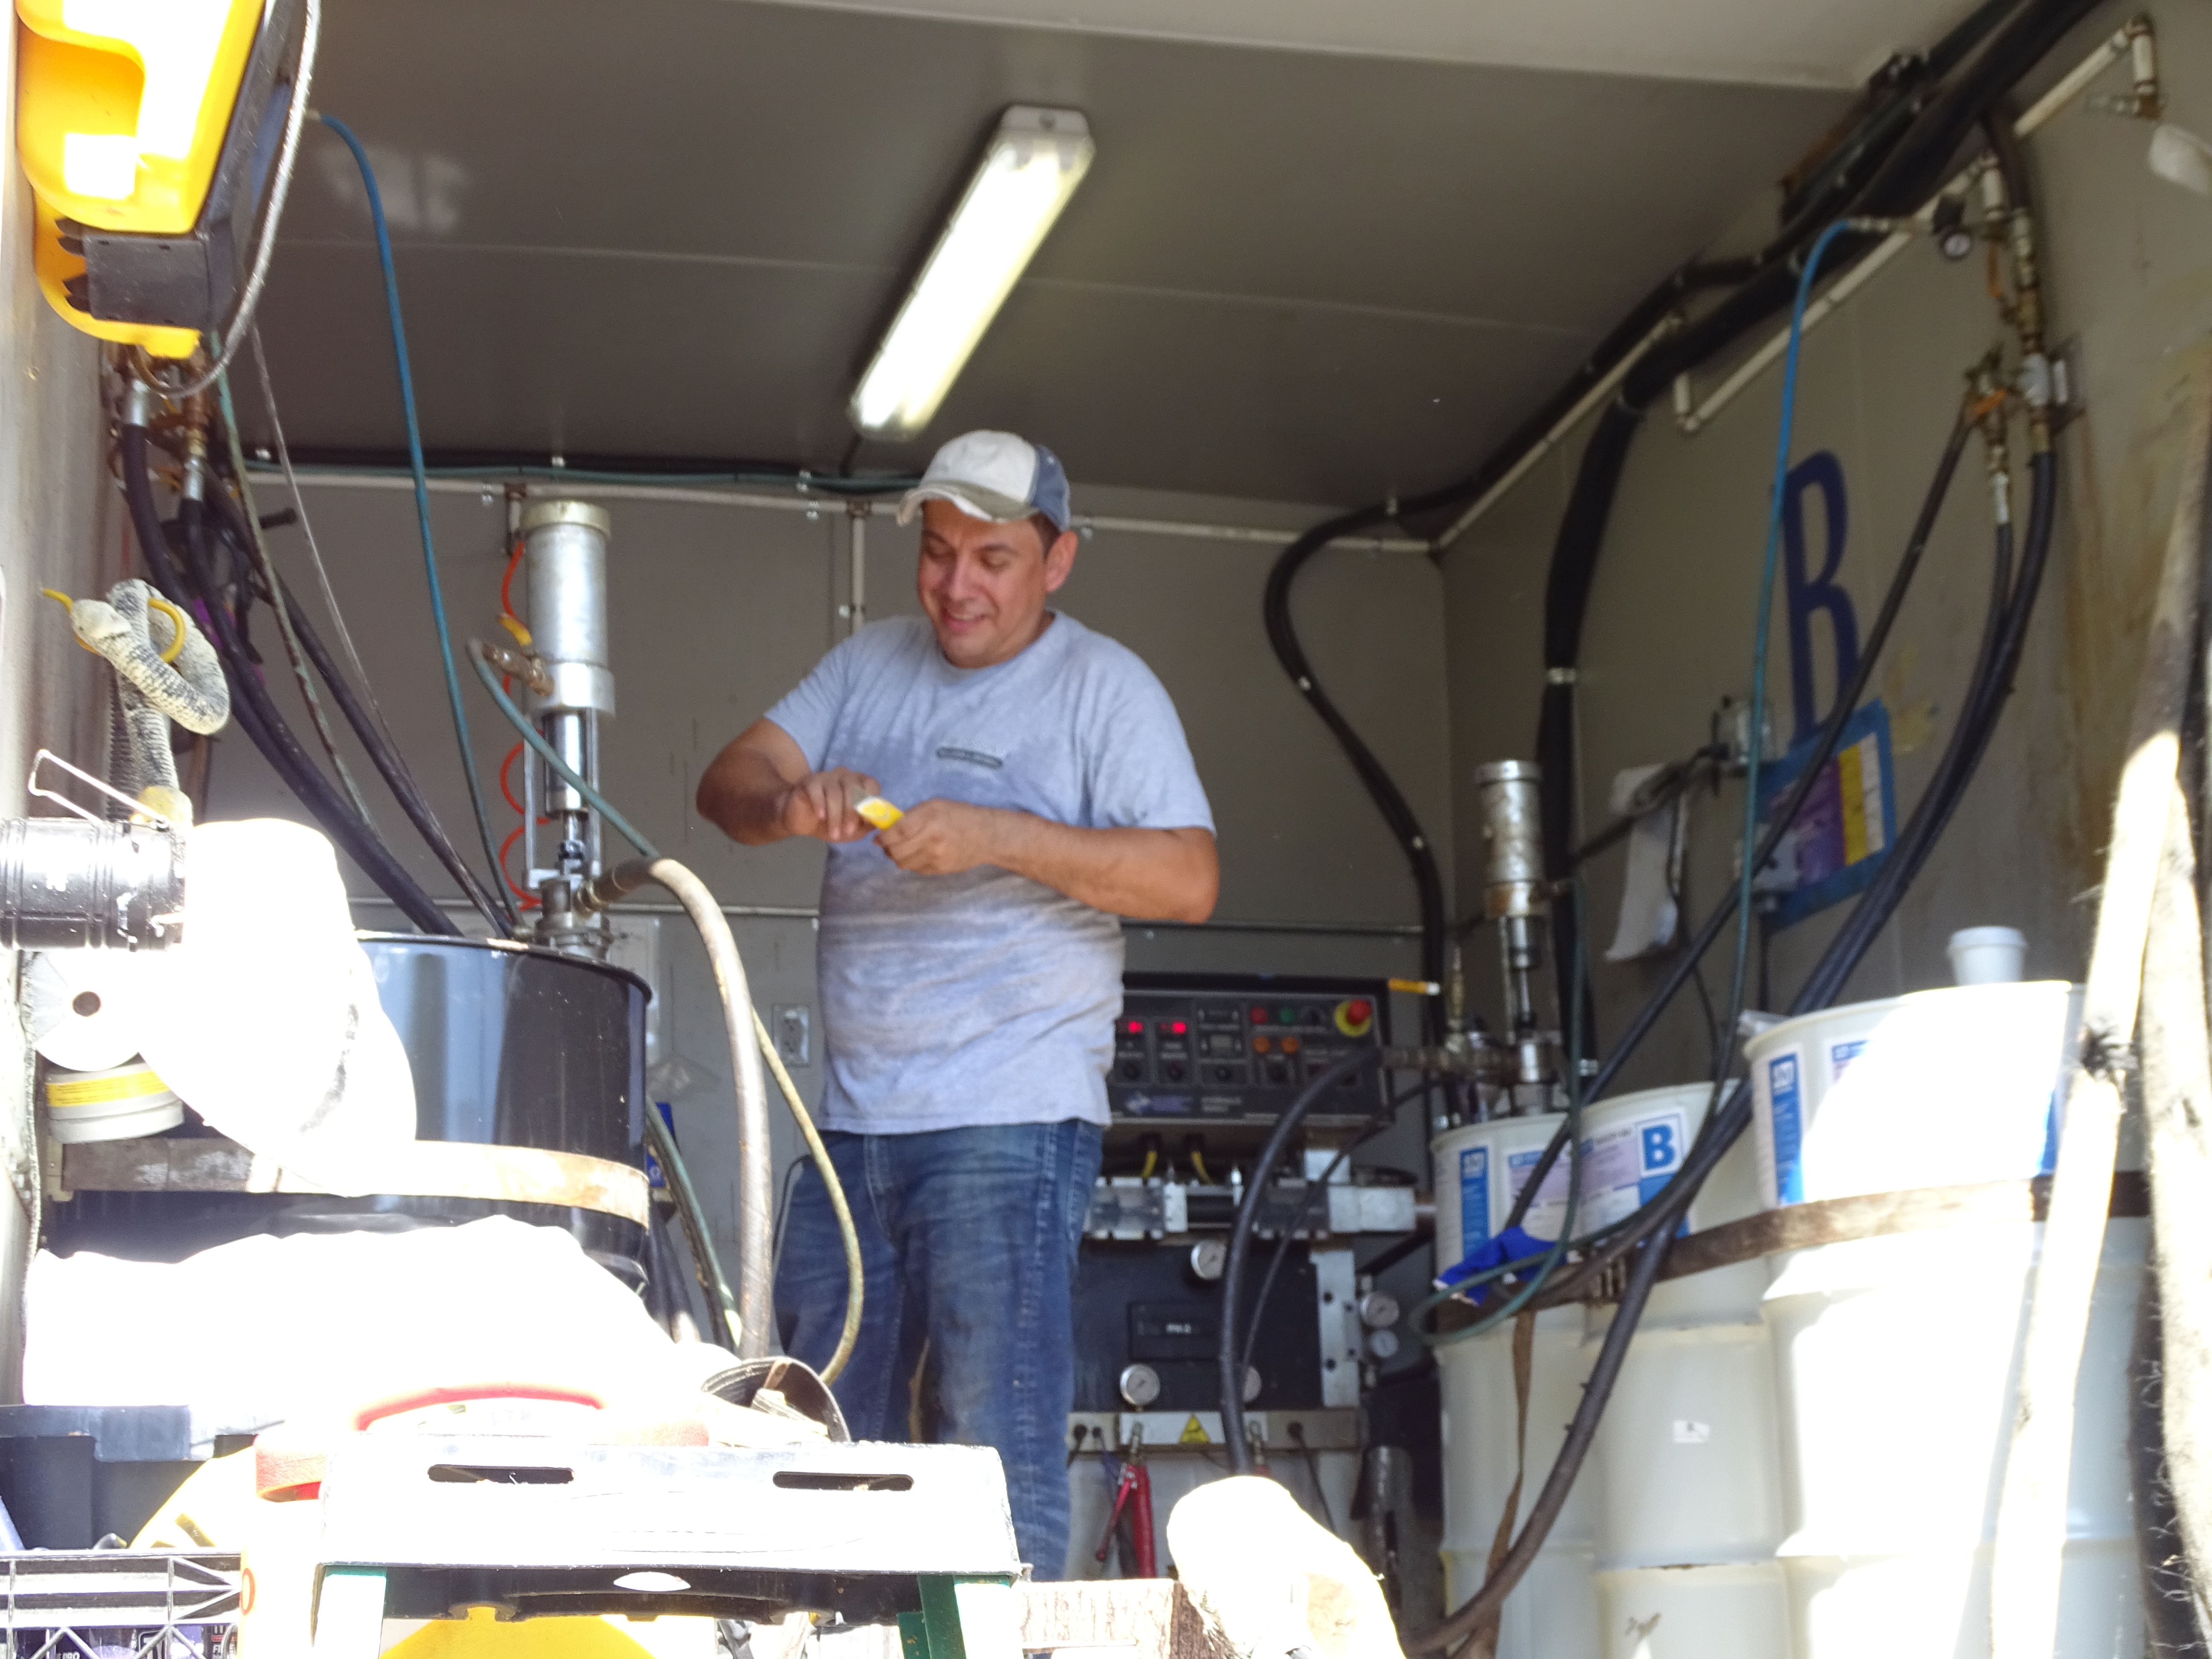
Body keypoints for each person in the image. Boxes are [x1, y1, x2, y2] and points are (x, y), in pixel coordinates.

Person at [695, 430, 1217, 1574]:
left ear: (1059, 561)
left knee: (992, 1454)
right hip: (853, 1133)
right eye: (938, 555)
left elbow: (1188, 877)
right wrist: (793, 805)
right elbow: (725, 783)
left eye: (993, 559)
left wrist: (997, 835)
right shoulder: (868, 666)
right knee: (817, 1449)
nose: (957, 586)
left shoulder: (1104, 688)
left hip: (1009, 1122)